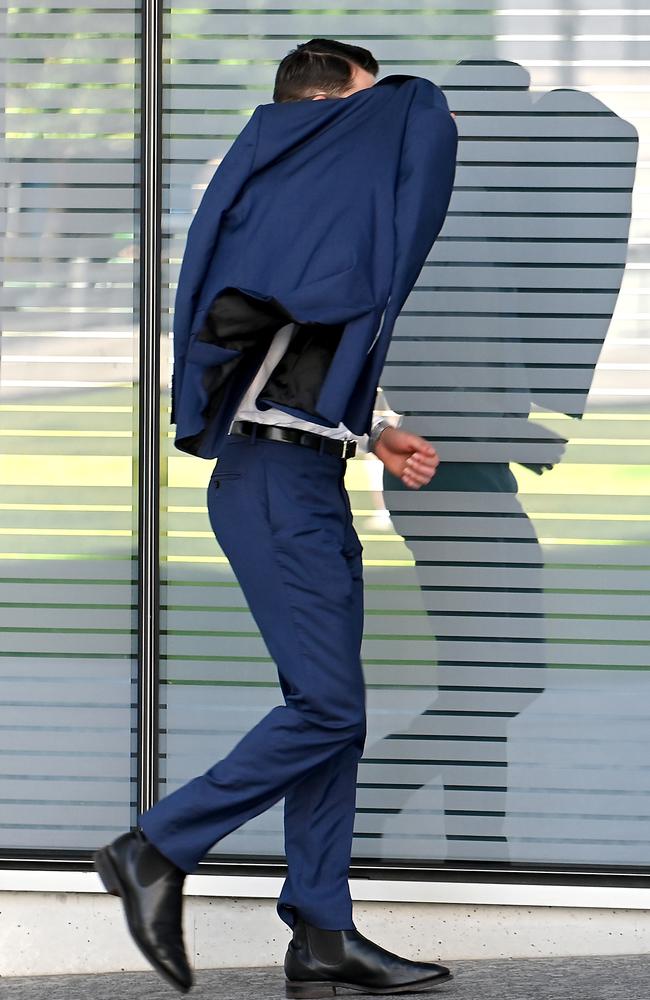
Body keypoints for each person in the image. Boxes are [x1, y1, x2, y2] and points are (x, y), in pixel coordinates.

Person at [94, 38, 458, 997]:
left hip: (307, 475)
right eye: (366, 109)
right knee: (329, 706)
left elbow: (298, 346)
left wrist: (372, 428)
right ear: (329, 110)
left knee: (337, 716)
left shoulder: (303, 216)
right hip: (268, 487)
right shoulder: (269, 199)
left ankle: (322, 930)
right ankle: (155, 848)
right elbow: (261, 314)